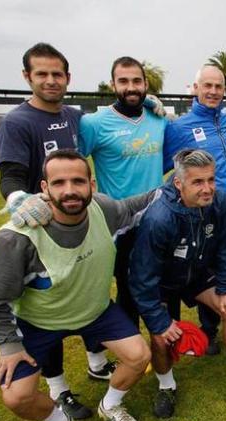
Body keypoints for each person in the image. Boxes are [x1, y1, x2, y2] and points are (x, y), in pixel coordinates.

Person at [0, 150, 153, 421]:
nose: (69, 190)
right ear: (43, 188)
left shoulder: (102, 208)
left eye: (77, 180)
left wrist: (175, 185)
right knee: (16, 397)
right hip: (38, 322)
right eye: (59, 182)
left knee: (139, 356)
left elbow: (135, 206)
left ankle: (110, 405)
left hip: (95, 311)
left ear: (92, 184)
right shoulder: (16, 237)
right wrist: (8, 345)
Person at [0, 42, 111, 421]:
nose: (50, 80)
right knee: (50, 307)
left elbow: (111, 123)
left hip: (80, 221)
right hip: (41, 228)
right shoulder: (17, 122)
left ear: (67, 78)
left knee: (90, 290)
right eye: (41, 74)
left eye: (56, 74)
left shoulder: (76, 117)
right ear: (27, 77)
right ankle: (59, 390)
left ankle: (97, 361)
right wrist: (18, 200)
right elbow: (10, 174)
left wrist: (148, 106)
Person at [130, 149, 226, 419]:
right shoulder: (159, 218)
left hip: (198, 272)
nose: (208, 188)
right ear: (179, 184)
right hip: (164, 282)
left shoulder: (220, 201)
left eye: (211, 179)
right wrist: (158, 320)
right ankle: (167, 386)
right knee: (160, 337)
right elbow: (142, 276)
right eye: (198, 182)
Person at [163, 65, 226, 350]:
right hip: (206, 214)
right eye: (208, 86)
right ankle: (209, 328)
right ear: (196, 88)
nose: (214, 91)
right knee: (209, 272)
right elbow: (167, 170)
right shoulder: (180, 127)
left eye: (219, 86)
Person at [78, 56, 167, 327]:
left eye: (136, 81)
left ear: (146, 84)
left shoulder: (158, 119)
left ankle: (164, 344)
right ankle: (133, 350)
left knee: (162, 284)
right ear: (112, 84)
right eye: (123, 81)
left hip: (157, 218)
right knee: (129, 289)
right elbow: (73, 165)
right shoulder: (94, 123)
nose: (131, 87)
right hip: (120, 224)